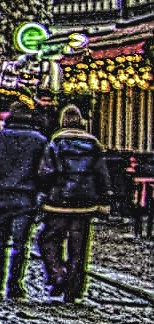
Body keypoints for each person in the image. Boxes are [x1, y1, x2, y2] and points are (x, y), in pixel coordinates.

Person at [35, 105, 112, 303]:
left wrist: (45, 191)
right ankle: (74, 289)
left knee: (48, 239)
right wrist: (104, 198)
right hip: (85, 203)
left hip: (58, 202)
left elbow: (46, 172)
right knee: (79, 247)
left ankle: (58, 273)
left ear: (62, 121)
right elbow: (102, 174)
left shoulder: (56, 142)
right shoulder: (93, 144)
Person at [0, 107, 49, 299]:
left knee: (0, 240)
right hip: (26, 197)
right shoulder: (39, 140)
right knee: (21, 242)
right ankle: (15, 284)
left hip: (2, 196)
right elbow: (45, 170)